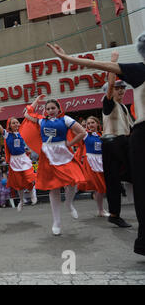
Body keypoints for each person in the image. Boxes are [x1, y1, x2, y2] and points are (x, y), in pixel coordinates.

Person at [47, 42, 145, 255]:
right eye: (118, 88)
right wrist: (112, 61)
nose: (120, 90)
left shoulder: (125, 107)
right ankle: (114, 215)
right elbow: (109, 85)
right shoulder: (108, 102)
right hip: (112, 144)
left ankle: (114, 212)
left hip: (125, 143)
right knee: (113, 181)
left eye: (122, 88)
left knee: (127, 181)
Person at [21, 95, 86, 235]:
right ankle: (56, 221)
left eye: (53, 108)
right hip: (47, 157)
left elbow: (82, 132)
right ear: (45, 110)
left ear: (58, 109)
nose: (50, 110)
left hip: (64, 154)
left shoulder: (66, 119)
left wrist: (70, 143)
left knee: (73, 182)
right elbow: (27, 114)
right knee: (53, 188)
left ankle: (69, 203)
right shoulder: (41, 121)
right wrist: (36, 102)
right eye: (48, 108)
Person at [0, 107, 37, 212]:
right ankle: (21, 201)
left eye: (17, 122)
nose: (16, 124)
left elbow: (25, 145)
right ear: (10, 125)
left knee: (29, 177)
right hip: (14, 160)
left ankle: (32, 193)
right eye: (13, 123)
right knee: (19, 183)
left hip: (23, 158)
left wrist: (27, 150)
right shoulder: (7, 134)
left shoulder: (22, 133)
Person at [75, 116, 109, 217]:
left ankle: (100, 209)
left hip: (102, 162)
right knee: (100, 187)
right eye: (88, 123)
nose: (90, 125)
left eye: (92, 123)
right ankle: (101, 210)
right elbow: (74, 127)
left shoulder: (102, 135)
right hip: (91, 163)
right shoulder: (85, 134)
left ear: (98, 124)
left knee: (102, 188)